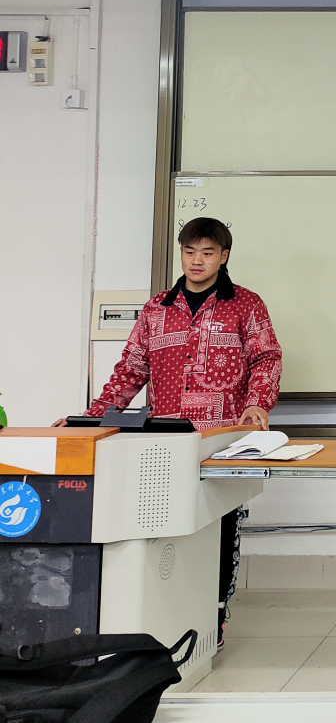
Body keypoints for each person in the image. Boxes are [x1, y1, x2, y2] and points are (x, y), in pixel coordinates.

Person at [56, 216, 282, 648]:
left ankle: (214, 617)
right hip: (164, 442)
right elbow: (130, 370)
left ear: (224, 257)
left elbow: (267, 357)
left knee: (220, 527)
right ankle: (167, 615)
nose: (197, 261)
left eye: (207, 253)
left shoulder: (246, 305)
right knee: (166, 528)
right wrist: (88, 419)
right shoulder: (156, 309)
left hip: (221, 441)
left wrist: (258, 401)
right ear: (181, 253)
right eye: (189, 252)